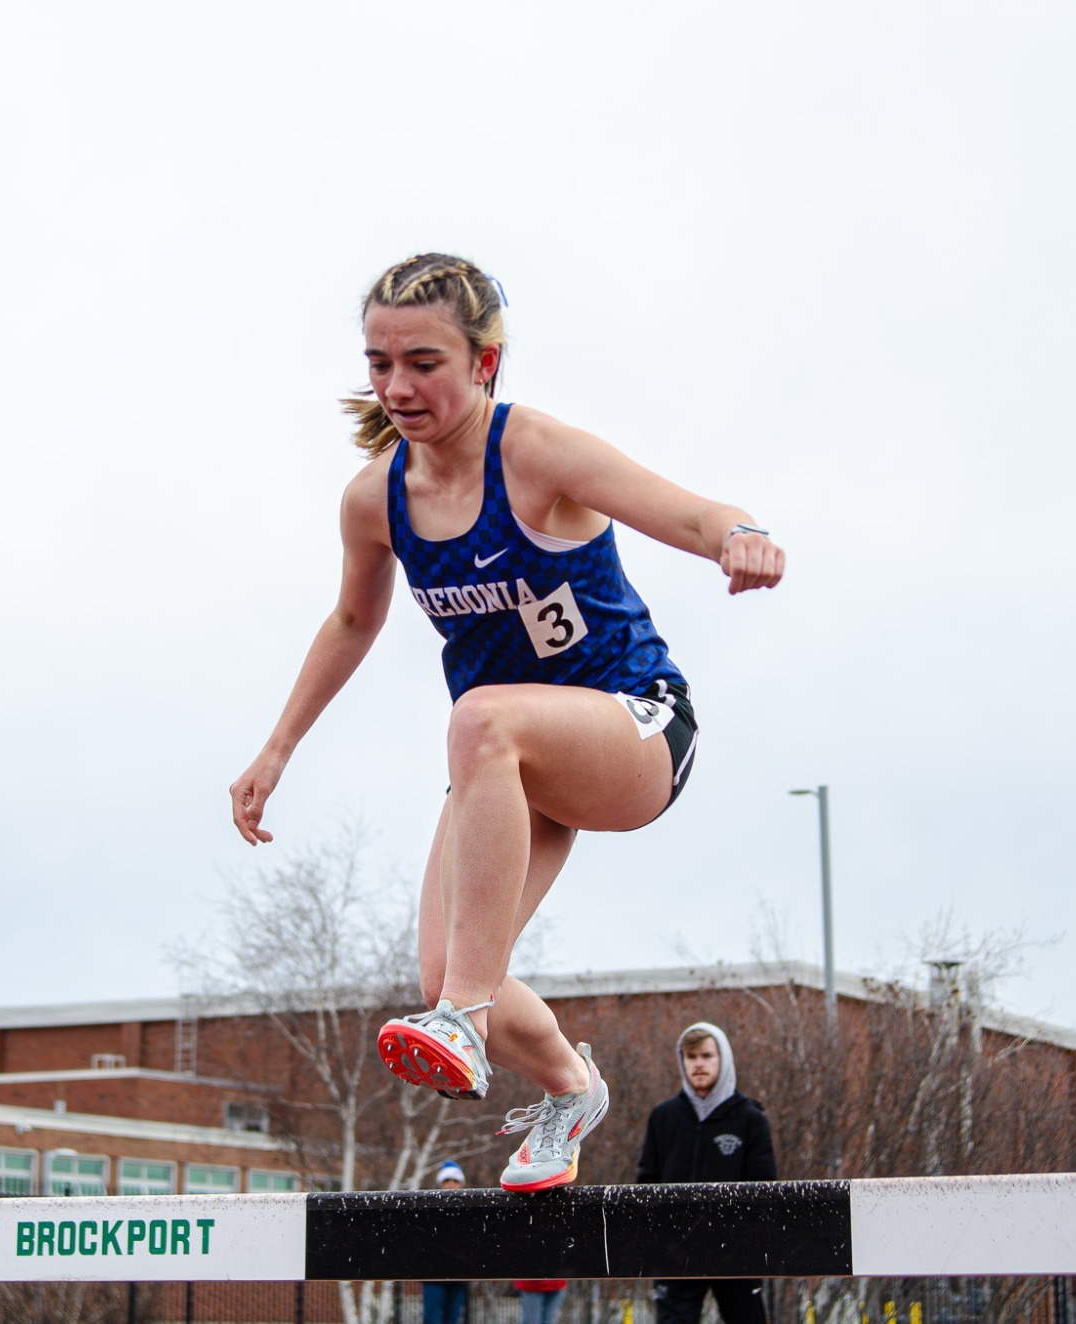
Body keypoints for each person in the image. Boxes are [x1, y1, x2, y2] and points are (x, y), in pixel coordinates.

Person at [229, 253, 785, 1194]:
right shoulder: (375, 502)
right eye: (378, 364)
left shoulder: (532, 453)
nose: (398, 387)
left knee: (479, 730)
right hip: (510, 762)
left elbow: (686, 510)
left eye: (424, 362)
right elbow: (355, 621)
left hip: (635, 726)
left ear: (484, 363)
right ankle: (571, 1087)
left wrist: (738, 533)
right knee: (449, 966)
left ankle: (463, 1022)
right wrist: (276, 748)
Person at [637, 1022, 777, 1324]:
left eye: (706, 1055)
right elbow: (646, 1183)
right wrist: (660, 1243)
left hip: (736, 1255)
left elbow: (765, 1190)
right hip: (677, 1254)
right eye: (690, 1057)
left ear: (722, 1058)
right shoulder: (664, 1117)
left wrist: (751, 1243)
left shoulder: (750, 1118)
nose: (698, 1064)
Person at [421, 1162, 471, 1324]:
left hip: (458, 1278)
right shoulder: (430, 1209)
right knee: (433, 1320)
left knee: (453, 1320)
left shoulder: (468, 1211)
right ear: (440, 1183)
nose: (451, 1184)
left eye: (455, 1181)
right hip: (434, 1277)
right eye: (447, 1180)